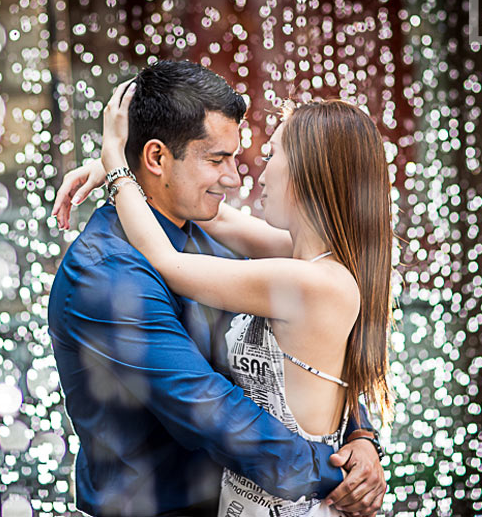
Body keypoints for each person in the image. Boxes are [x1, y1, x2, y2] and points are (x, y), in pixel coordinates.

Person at [48, 60, 386, 517]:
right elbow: (212, 412)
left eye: (238, 156)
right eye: (216, 159)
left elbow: (307, 351)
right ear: (156, 158)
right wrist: (334, 475)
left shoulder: (211, 231)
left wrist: (358, 435)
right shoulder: (105, 274)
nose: (235, 178)